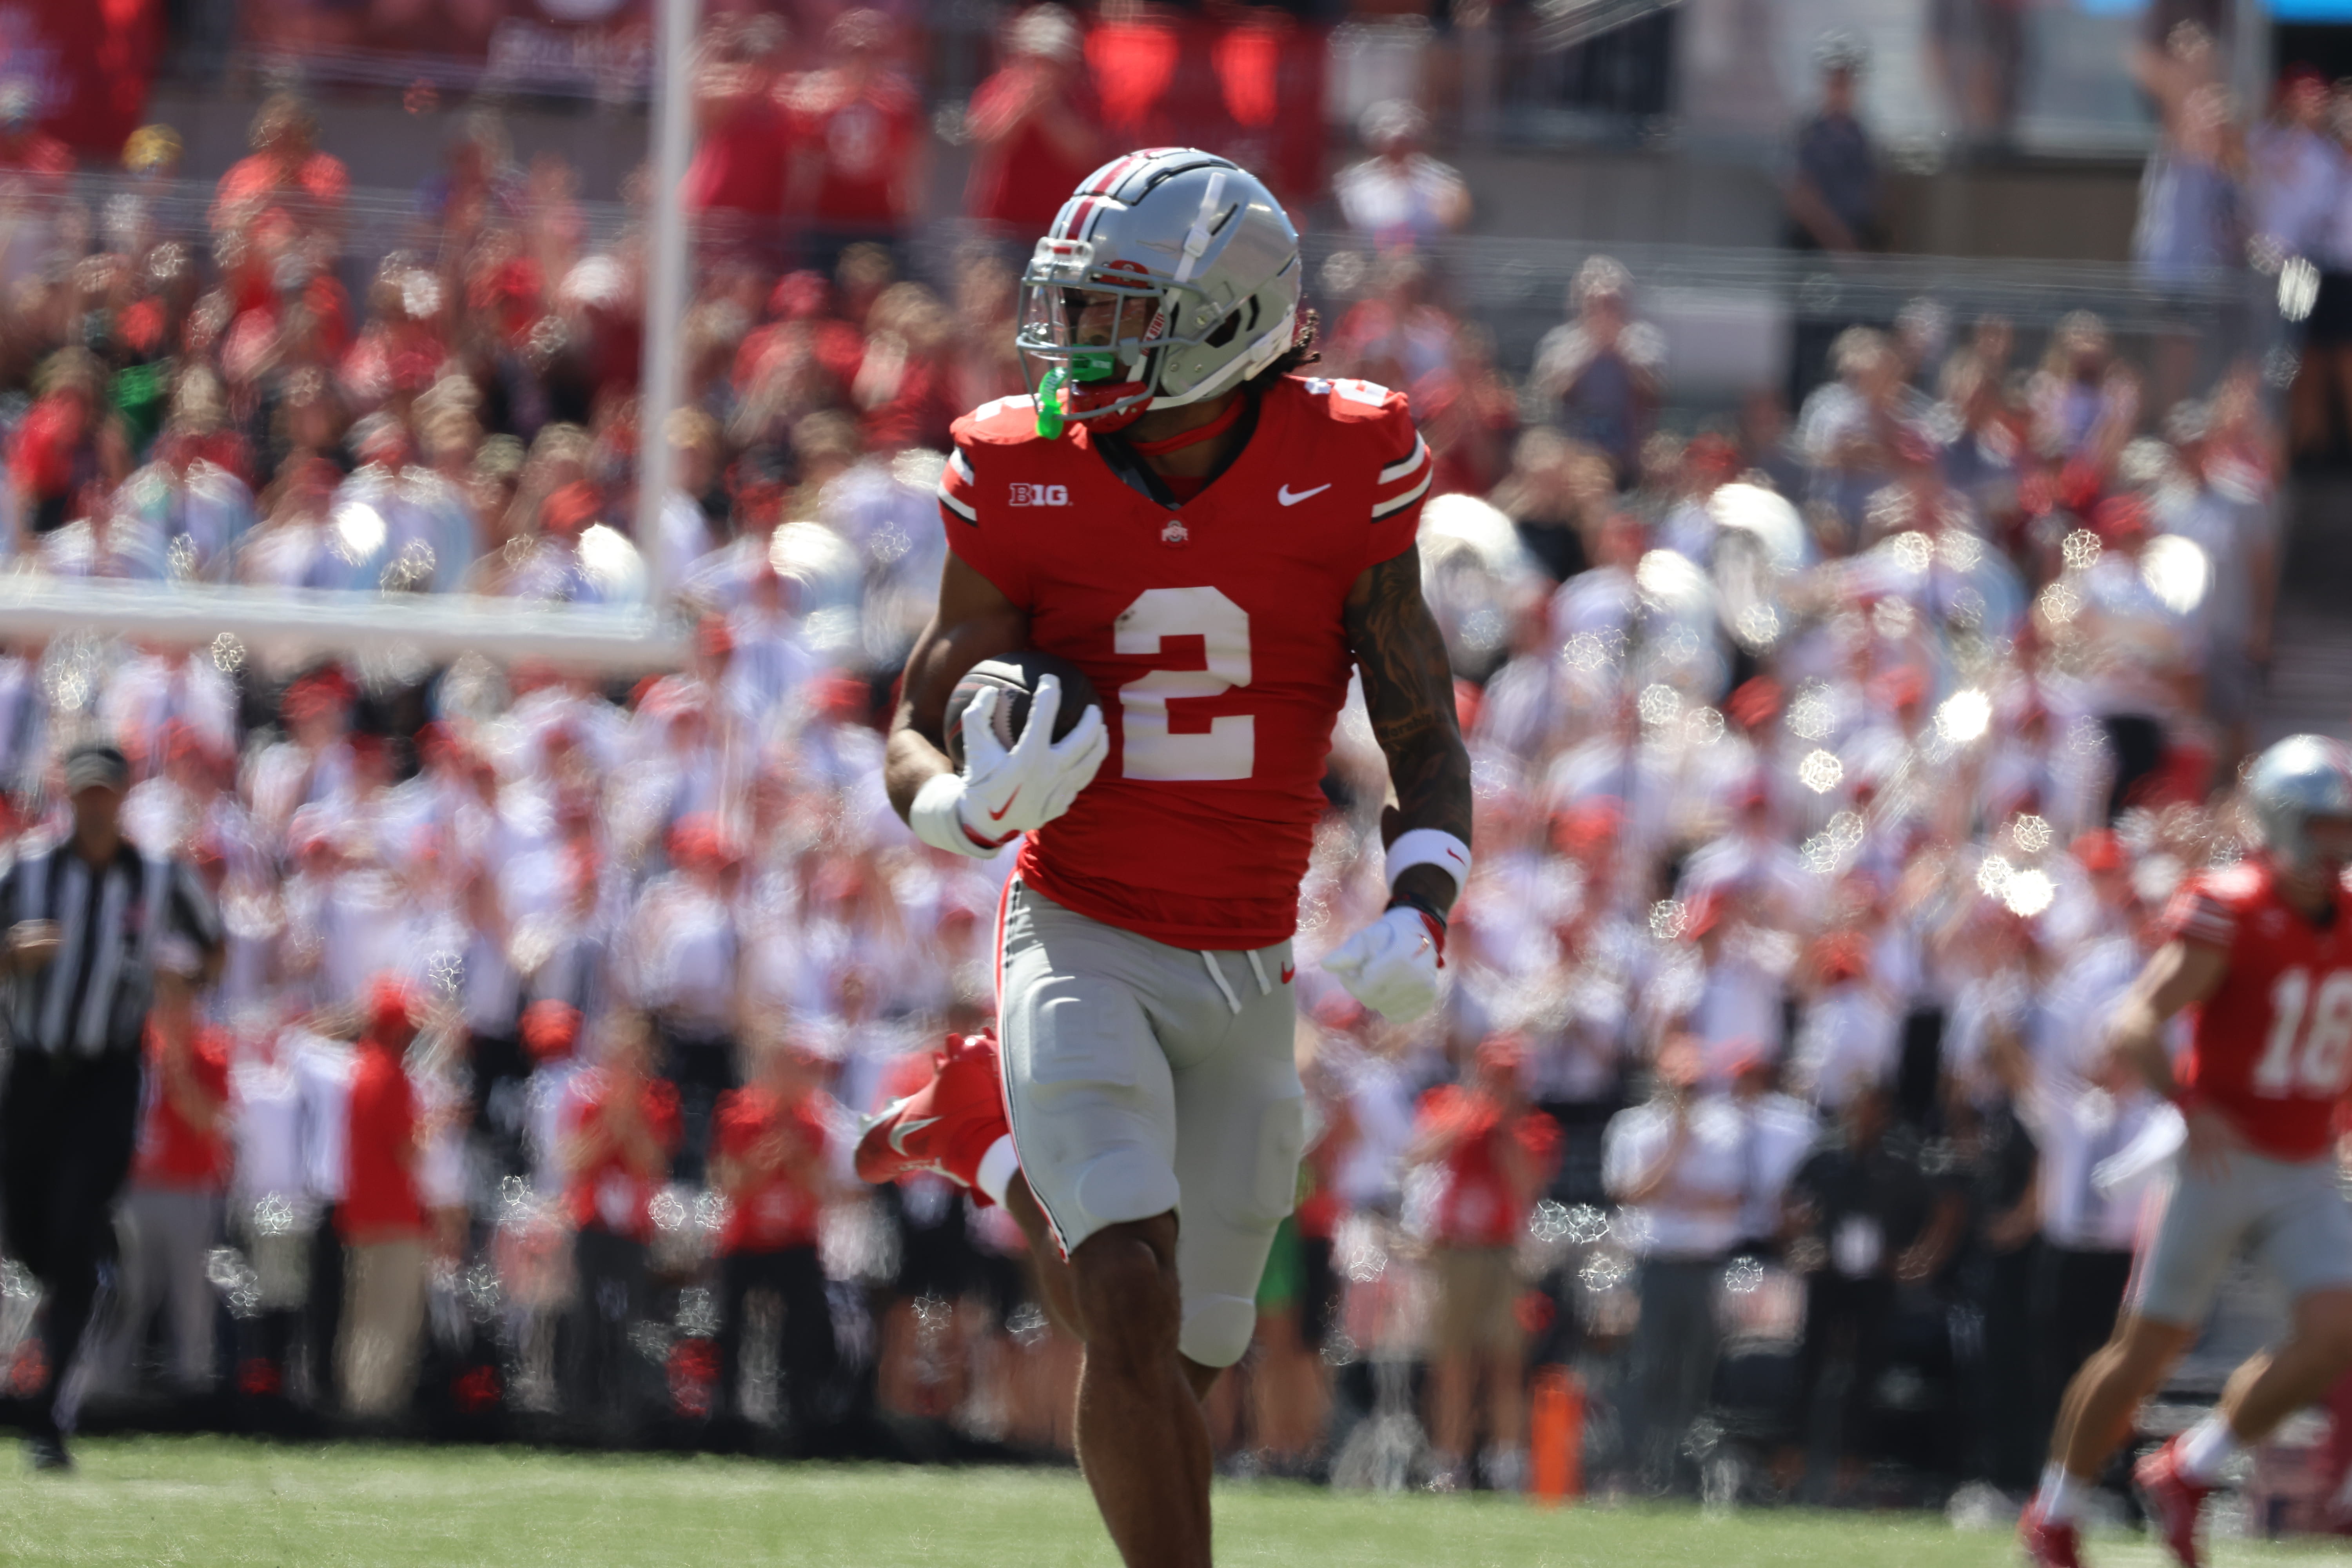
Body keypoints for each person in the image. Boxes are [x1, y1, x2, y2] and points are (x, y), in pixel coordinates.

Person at [856, 149, 1469, 1568]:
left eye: (1119, 310)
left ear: (1227, 317)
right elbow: (920, 705)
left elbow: (1417, 713)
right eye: (1073, 307)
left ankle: (990, 1144)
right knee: (1125, 1298)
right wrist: (961, 801)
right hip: (1075, 922)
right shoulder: (1019, 466)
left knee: (1181, 1362)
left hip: (1250, 950)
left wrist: (1423, 897)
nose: (1076, 344)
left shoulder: (1350, 456)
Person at [2023, 736, 2352, 1568]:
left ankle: (2190, 1466)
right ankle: (2055, 1510)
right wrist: (2187, 1099)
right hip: (2220, 1154)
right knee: (2149, 1347)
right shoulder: (2232, 907)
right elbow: (2134, 1018)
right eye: (2319, 825)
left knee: (2337, 1329)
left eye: (2343, 826)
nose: (2335, 843)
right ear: (2280, 823)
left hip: (2305, 1157)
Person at [0, 742, 223, 1469]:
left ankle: (48, 1418)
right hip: (34, 1072)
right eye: (83, 792)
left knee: (72, 1223)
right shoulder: (26, 868)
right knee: (29, 1229)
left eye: (106, 793)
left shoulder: (159, 876)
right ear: (67, 794)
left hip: (107, 1076)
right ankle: (87, 1280)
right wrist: (9, 955)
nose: (93, 805)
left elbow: (211, 946)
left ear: (123, 797)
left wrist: (181, 981)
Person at [1405, 1034, 1560, 1492]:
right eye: (1494, 1076)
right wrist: (1471, 1118)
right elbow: (1419, 1154)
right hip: (1452, 1250)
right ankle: (1449, 1461)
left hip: (1503, 1251)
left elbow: (1526, 1184)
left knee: (1505, 1362)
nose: (1501, 1086)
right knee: (1450, 1362)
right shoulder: (1447, 1105)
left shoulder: (1534, 1126)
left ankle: (1506, 1462)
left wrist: (1505, 1128)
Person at [1602, 1038, 1748, 1496]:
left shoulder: (1725, 1130)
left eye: (1693, 1085)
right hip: (1654, 1263)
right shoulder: (1634, 1128)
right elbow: (1629, 1193)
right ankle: (1633, 1467)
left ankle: (1681, 1473)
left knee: (1695, 1372)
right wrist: (1674, 1150)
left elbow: (1728, 1199)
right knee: (1647, 1367)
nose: (1686, 1094)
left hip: (1703, 1265)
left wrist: (1676, 1191)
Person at [337, 976, 431, 1418]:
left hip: (361, 1212)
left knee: (364, 1316)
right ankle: (374, 1410)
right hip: (394, 1215)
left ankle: (360, 1400)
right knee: (389, 1319)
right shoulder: (392, 1076)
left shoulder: (358, 1069)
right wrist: (434, 1132)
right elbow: (406, 1150)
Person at [964, 6, 1102, 235]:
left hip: (1062, 228)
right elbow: (987, 144)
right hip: (1000, 226)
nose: (1044, 71)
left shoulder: (1085, 99)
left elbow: (1085, 156)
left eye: (1053, 63)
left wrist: (1050, 112)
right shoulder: (998, 89)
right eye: (1035, 61)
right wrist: (1023, 109)